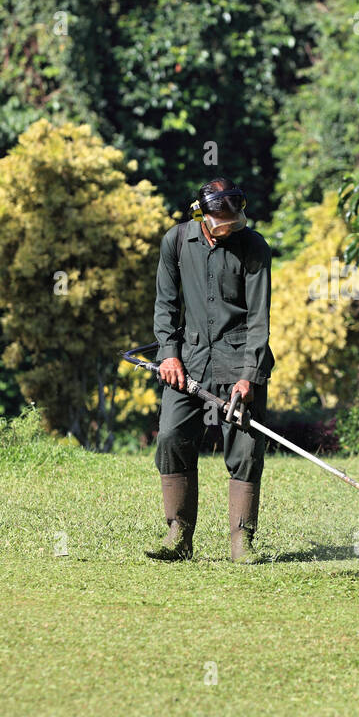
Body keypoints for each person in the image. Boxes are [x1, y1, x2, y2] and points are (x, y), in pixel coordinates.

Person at [148, 178, 275, 563]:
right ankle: (178, 536)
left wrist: (248, 375)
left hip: (240, 362)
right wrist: (169, 354)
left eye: (235, 221)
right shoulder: (175, 242)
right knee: (171, 437)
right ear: (202, 217)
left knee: (246, 448)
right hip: (189, 361)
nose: (230, 230)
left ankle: (242, 543)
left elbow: (258, 318)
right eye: (222, 224)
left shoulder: (254, 246)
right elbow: (166, 306)